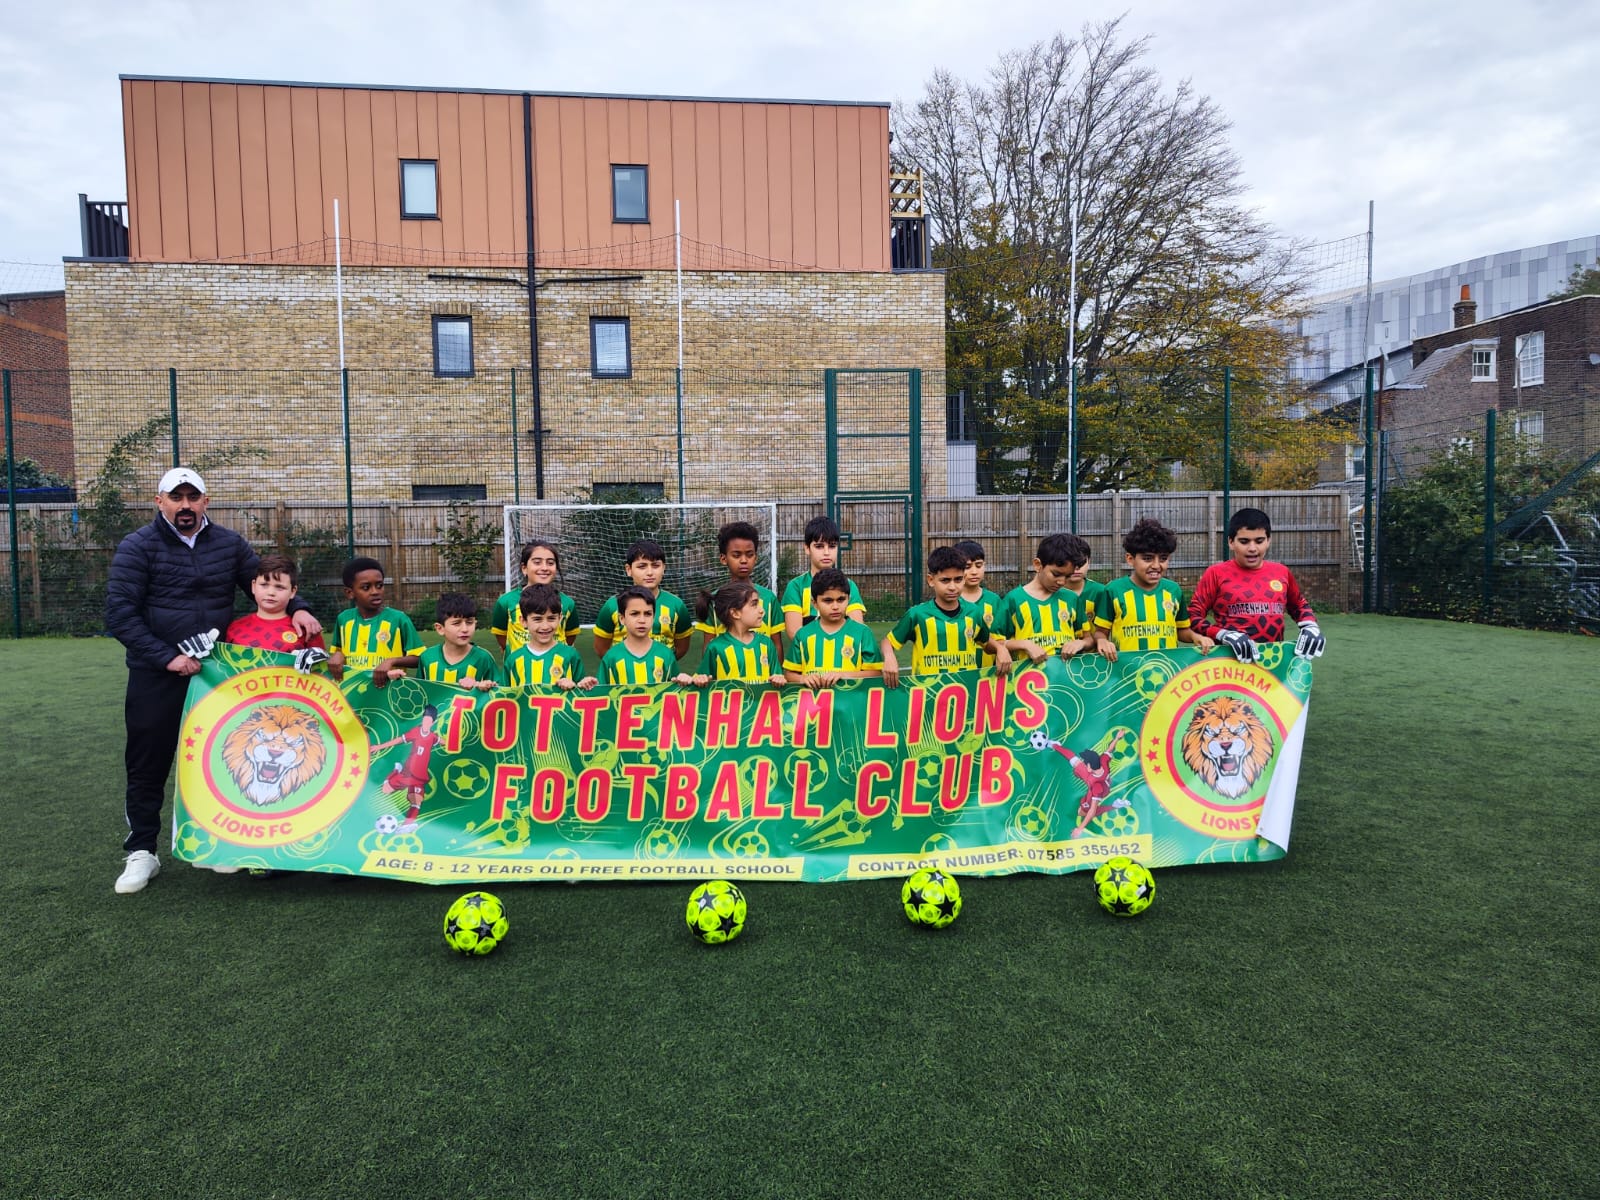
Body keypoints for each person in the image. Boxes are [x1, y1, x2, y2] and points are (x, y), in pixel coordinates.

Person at [106, 468, 321, 894]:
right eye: (176, 497)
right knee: (148, 762)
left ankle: (222, 844)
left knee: (223, 758)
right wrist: (167, 657)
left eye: (193, 497)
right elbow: (119, 615)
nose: (184, 505)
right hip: (157, 674)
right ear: (159, 501)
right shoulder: (137, 547)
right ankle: (142, 852)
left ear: (206, 501)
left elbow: (265, 584)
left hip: (217, 676)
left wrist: (298, 607)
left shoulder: (229, 544)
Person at [1188, 507, 1325, 662]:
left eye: (1259, 541)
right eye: (1244, 541)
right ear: (1231, 542)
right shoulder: (1216, 573)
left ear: (1268, 541)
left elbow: (1298, 604)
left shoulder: (1281, 572)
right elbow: (1193, 616)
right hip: (1229, 664)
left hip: (1273, 663)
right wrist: (1222, 634)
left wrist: (1310, 625)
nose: (1252, 548)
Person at [882, 545, 1012, 687]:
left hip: (967, 692)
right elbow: (888, 641)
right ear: (931, 580)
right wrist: (889, 657)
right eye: (945, 580)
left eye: (958, 579)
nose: (952, 587)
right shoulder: (917, 615)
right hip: (928, 695)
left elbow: (986, 642)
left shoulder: (974, 612)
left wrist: (1000, 649)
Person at [1094, 518, 1214, 660]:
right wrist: (1102, 641)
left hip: (1167, 671)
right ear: (1130, 559)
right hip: (1127, 672)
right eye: (1147, 558)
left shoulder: (1173, 590)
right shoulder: (1114, 590)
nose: (1156, 565)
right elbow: (1100, 632)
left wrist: (1196, 637)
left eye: (1163, 559)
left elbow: (1181, 630)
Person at [995, 533, 1095, 666]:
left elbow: (1088, 639)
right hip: (1028, 680)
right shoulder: (1014, 599)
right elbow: (993, 643)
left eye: (1067, 576)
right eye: (1056, 574)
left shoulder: (1071, 599)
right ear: (1037, 565)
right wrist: (1024, 644)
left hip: (1065, 679)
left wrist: (1080, 643)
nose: (1061, 582)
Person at [328, 556, 424, 684]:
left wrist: (391, 661)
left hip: (388, 695)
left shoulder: (398, 619)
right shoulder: (344, 619)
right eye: (366, 587)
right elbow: (338, 654)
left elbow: (420, 658)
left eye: (379, 585)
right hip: (354, 695)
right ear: (350, 593)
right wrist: (337, 655)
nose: (375, 592)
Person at [592, 539, 691, 660]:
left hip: (663, 677)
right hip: (624, 677)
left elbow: (682, 648)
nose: (649, 572)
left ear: (664, 568)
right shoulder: (612, 605)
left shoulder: (677, 605)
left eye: (655, 565)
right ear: (629, 570)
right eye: (642, 566)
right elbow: (601, 648)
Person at [376, 592, 499, 691]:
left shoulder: (484, 658)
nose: (465, 629)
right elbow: (421, 694)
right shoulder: (428, 657)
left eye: (470, 622)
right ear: (440, 629)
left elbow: (500, 694)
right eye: (456, 623)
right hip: (434, 722)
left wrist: (481, 686)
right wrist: (397, 681)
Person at [695, 521, 784, 655]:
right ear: (723, 558)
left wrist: (777, 674)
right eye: (736, 555)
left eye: (749, 555)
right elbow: (708, 647)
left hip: (762, 675)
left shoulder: (769, 599)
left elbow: (776, 645)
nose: (743, 560)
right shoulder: (714, 600)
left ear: (756, 558)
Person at [781, 568, 882, 686]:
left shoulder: (863, 633)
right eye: (828, 601)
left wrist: (844, 675)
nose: (835, 606)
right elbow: (789, 674)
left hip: (851, 703)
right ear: (815, 603)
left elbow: (876, 673)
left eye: (841, 599)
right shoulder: (803, 635)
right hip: (813, 703)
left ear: (848, 600)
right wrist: (803, 678)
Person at [222, 554, 327, 658]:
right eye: (264, 585)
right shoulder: (235, 628)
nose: (271, 592)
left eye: (279, 587)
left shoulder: (305, 629)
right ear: (253, 586)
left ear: (293, 591)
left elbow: (321, 670)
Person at [782, 516, 867, 638]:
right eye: (819, 546)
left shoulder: (849, 585)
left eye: (832, 546)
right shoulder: (796, 586)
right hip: (809, 655)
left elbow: (857, 629)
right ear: (807, 548)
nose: (826, 552)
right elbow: (794, 633)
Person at [501, 584, 596, 690]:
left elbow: (582, 696)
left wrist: (578, 686)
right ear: (523, 621)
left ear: (560, 619)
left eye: (551, 618)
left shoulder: (570, 655)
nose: (545, 626)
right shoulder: (513, 659)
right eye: (537, 619)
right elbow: (503, 698)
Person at [491, 539, 578, 655]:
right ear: (524, 568)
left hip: (557, 670)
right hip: (520, 671)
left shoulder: (568, 603)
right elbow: (501, 636)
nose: (544, 568)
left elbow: (570, 638)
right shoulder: (506, 602)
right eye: (537, 562)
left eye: (550, 563)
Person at [691, 581, 787, 685]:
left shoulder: (766, 643)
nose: (762, 610)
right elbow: (701, 680)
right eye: (754, 604)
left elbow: (777, 676)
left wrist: (779, 679)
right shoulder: (715, 647)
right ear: (735, 613)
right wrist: (699, 679)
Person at [599, 587, 696, 686]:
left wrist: (683, 681)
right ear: (622, 619)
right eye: (635, 614)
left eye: (647, 614)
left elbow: (676, 691)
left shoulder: (666, 654)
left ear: (653, 617)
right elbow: (600, 693)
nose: (642, 620)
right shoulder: (611, 657)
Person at [372, 705, 442, 833]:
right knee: (385, 789)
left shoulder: (432, 737)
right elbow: (398, 740)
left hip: (420, 777)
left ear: (433, 722)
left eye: (429, 720)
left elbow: (442, 741)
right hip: (407, 773)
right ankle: (396, 771)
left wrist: (455, 741)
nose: (426, 722)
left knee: (416, 800)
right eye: (424, 719)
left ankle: (406, 825)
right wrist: (379, 746)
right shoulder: (415, 731)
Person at [1057, 533, 1109, 644]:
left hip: (1096, 657)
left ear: (1089, 562)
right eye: (1072, 564)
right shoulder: (1051, 593)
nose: (1077, 568)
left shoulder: (1102, 592)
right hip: (1061, 658)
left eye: (1081, 563)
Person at [953, 539, 1002, 630]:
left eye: (978, 565)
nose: (974, 572)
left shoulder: (994, 600)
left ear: (984, 565)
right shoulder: (951, 599)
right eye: (967, 567)